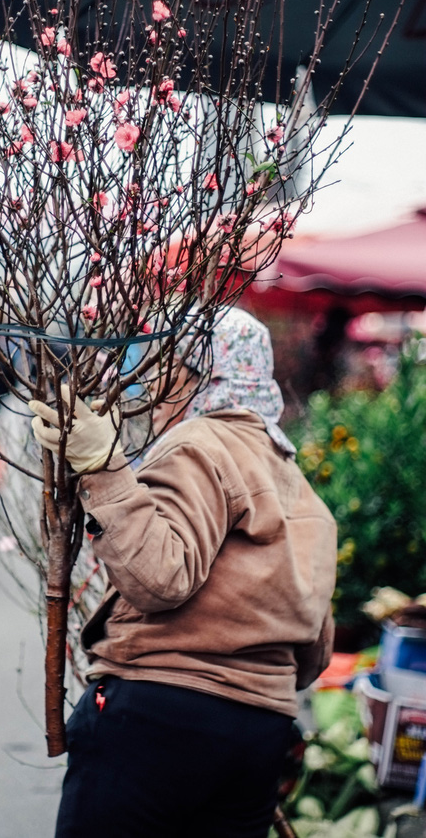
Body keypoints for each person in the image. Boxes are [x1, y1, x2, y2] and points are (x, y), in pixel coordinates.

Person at [29, 308, 338, 838]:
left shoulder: (200, 442)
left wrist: (102, 468)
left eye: (164, 365)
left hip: (157, 721)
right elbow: (315, 651)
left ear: (196, 374)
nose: (151, 379)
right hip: (259, 735)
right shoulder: (296, 483)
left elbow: (158, 579)